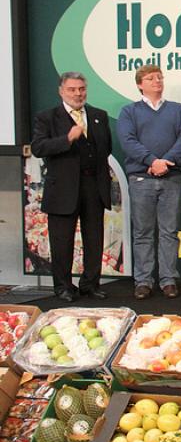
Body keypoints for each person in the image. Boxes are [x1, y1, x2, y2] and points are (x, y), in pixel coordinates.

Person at [31, 72, 112, 302]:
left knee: (94, 238)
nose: (78, 94)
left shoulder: (98, 115)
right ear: (61, 91)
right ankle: (63, 286)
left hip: (93, 186)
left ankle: (90, 284)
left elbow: (106, 148)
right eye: (72, 89)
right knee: (62, 241)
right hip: (63, 189)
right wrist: (67, 139)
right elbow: (38, 147)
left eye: (81, 89)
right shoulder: (47, 117)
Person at [117, 65, 181, 300]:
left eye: (159, 77)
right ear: (140, 84)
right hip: (142, 179)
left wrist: (165, 162)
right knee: (143, 232)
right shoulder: (129, 112)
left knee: (170, 232)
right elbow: (127, 141)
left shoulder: (177, 110)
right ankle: (143, 281)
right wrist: (151, 161)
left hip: (171, 177)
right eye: (150, 78)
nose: (157, 81)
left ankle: (168, 280)